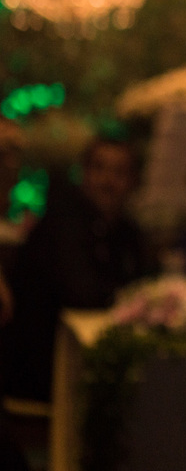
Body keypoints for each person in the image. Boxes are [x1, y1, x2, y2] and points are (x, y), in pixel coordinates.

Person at [2, 137, 155, 403]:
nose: (107, 181)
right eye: (99, 169)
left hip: (94, 365)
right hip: (45, 373)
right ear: (84, 174)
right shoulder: (62, 224)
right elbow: (84, 296)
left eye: (119, 172)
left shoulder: (128, 232)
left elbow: (149, 287)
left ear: (133, 181)